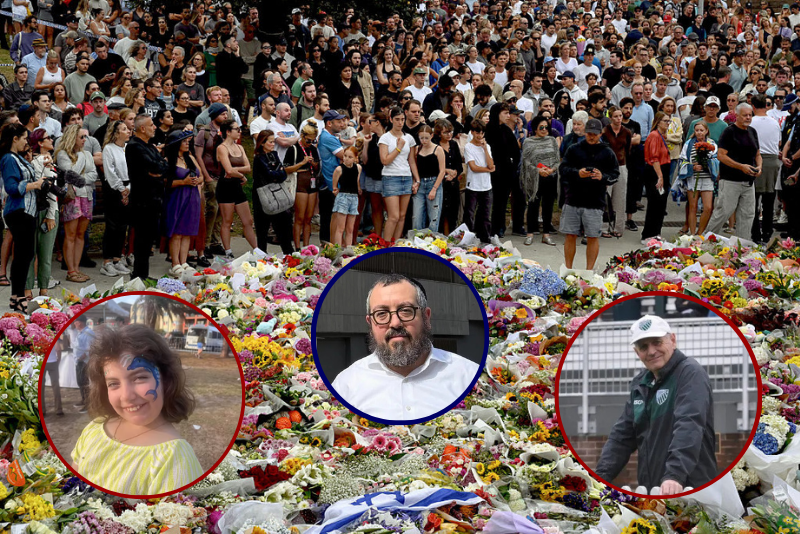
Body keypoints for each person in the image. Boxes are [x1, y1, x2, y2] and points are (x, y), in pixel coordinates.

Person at [70, 324, 203, 495]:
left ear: (166, 379)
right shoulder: (95, 429)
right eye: (113, 383)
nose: (126, 396)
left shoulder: (174, 459)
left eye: (139, 378)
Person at [595, 315, 717, 495]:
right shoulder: (640, 383)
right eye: (644, 347)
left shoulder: (689, 373)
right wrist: (599, 478)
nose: (651, 351)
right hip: (653, 489)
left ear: (672, 340)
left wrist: (675, 475)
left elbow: (689, 424)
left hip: (691, 488)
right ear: (637, 353)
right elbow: (621, 437)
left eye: (657, 342)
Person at [331, 274, 479, 421]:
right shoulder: (345, 385)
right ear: (370, 323)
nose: (395, 323)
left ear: (426, 317)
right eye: (381, 313)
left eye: (406, 310)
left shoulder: (468, 376)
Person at [559, 118, 620, 270]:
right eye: (589, 133)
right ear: (585, 133)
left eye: (595, 134)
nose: (591, 136)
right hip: (573, 198)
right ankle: (568, 269)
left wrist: (603, 177)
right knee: (570, 235)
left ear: (601, 134)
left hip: (595, 201)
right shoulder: (574, 149)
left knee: (593, 236)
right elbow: (563, 169)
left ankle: (589, 271)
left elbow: (615, 174)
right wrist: (577, 173)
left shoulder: (607, 152)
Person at [0, 123, 45, 312]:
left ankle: (16, 296)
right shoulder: (9, 158)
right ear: (15, 139)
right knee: (21, 256)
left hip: (28, 211)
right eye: (25, 138)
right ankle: (17, 296)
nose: (27, 142)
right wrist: (35, 185)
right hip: (18, 211)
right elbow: (11, 188)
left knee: (25, 255)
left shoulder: (18, 157)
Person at [706, 103, 761, 240]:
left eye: (750, 115)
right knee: (723, 213)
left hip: (749, 182)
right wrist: (741, 166)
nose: (748, 117)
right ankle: (705, 241)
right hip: (730, 180)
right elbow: (721, 155)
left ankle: (742, 247)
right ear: (737, 116)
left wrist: (759, 167)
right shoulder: (729, 132)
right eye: (745, 115)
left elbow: (758, 154)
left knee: (748, 215)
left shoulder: (753, 131)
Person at [127, 114, 168, 281]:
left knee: (148, 240)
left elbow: (164, 166)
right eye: (151, 125)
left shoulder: (150, 146)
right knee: (142, 240)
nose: (155, 127)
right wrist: (156, 172)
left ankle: (143, 274)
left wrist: (157, 172)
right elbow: (155, 166)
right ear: (142, 128)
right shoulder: (134, 146)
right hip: (142, 201)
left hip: (154, 199)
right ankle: (138, 275)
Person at [55, 124, 97, 283]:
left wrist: (82, 178)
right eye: (81, 137)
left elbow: (93, 174)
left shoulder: (87, 153)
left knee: (81, 234)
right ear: (73, 137)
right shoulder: (62, 154)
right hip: (73, 197)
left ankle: (77, 268)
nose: (85, 140)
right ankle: (70, 270)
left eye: (85, 137)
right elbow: (69, 174)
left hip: (87, 196)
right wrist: (79, 157)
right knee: (70, 234)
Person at [215, 119, 256, 259]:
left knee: (248, 220)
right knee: (227, 220)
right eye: (236, 129)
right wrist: (240, 175)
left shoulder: (240, 147)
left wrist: (237, 173)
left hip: (236, 185)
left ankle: (256, 249)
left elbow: (247, 168)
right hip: (225, 187)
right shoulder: (221, 148)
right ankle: (228, 251)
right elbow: (227, 170)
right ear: (228, 131)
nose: (239, 132)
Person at [164, 129, 202, 275]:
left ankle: (184, 261)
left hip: (192, 196)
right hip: (177, 196)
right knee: (177, 231)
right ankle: (175, 263)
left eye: (188, 141)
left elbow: (201, 176)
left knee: (187, 231)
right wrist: (183, 181)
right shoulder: (168, 161)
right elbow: (165, 182)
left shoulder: (190, 158)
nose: (187, 144)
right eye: (184, 141)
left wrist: (197, 180)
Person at [26, 129, 59, 297]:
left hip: (46, 210)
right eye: (48, 138)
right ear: (39, 143)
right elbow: (50, 188)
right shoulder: (41, 160)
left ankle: (41, 289)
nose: (52, 140)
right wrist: (51, 215)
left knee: (44, 253)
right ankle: (31, 289)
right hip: (42, 210)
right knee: (34, 252)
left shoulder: (48, 160)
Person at [379, 106, 419, 242]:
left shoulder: (409, 138)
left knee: (402, 216)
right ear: (391, 119)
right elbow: (384, 160)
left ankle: (394, 245)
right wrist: (398, 148)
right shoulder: (385, 138)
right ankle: (385, 247)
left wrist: (417, 180)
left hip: (406, 176)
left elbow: (412, 161)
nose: (400, 122)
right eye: (397, 119)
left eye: (402, 119)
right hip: (390, 177)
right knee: (393, 216)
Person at [252, 130, 295, 254]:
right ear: (262, 143)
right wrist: (277, 172)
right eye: (270, 142)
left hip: (278, 194)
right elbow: (268, 175)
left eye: (273, 141)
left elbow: (282, 173)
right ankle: (262, 256)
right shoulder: (259, 158)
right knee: (262, 229)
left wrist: (277, 173)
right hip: (263, 196)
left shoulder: (274, 155)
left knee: (283, 227)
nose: (273, 144)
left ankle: (289, 253)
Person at [100, 120, 133, 277]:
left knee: (122, 226)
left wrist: (128, 189)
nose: (128, 131)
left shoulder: (128, 148)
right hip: (114, 189)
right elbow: (110, 171)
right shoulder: (108, 149)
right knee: (112, 226)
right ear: (116, 133)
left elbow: (133, 169)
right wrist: (121, 189)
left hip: (128, 187)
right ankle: (106, 261)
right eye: (124, 129)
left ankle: (117, 258)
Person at [521, 115, 560, 247]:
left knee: (548, 206)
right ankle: (530, 233)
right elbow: (526, 161)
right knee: (533, 205)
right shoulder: (528, 142)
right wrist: (538, 171)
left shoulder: (552, 141)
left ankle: (546, 235)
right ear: (535, 129)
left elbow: (556, 159)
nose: (544, 129)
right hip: (535, 179)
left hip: (550, 177)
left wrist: (552, 169)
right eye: (541, 127)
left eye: (546, 127)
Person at [678, 122, 718, 236]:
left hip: (707, 178)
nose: (699, 132)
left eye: (701, 130)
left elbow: (716, 160)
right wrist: (692, 167)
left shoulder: (712, 144)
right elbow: (682, 160)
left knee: (708, 207)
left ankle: (700, 232)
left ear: (706, 131)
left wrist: (707, 164)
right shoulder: (688, 144)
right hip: (693, 178)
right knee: (693, 207)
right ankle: (692, 233)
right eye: (697, 130)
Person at [641, 112, 673, 244]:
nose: (667, 123)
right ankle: (648, 233)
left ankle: (656, 232)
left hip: (662, 170)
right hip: (655, 171)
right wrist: (660, 177)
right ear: (658, 122)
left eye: (669, 121)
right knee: (655, 203)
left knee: (660, 204)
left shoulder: (661, 136)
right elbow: (654, 159)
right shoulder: (654, 136)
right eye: (665, 121)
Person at [289, 120, 320, 249]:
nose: (310, 143)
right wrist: (302, 163)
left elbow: (317, 167)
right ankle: (297, 247)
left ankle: (307, 247)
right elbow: (287, 169)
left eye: (312, 141)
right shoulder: (294, 148)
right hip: (300, 184)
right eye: (308, 140)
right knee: (299, 217)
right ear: (302, 136)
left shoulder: (313, 149)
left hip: (312, 184)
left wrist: (313, 164)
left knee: (309, 218)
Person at [412, 124, 445, 232]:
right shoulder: (417, 149)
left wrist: (434, 189)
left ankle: (431, 239)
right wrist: (415, 182)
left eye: (426, 138)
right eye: (421, 138)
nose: (424, 140)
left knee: (434, 216)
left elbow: (442, 171)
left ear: (431, 136)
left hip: (433, 182)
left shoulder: (438, 149)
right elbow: (414, 167)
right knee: (417, 216)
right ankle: (417, 239)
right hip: (421, 183)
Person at [331, 146, 362, 246]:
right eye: (345, 156)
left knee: (350, 228)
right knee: (340, 228)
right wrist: (336, 192)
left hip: (354, 197)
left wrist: (359, 189)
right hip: (343, 196)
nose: (347, 159)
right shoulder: (339, 169)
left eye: (350, 157)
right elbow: (334, 185)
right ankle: (338, 249)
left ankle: (349, 248)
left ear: (355, 158)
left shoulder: (358, 168)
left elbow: (356, 180)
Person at [72, 314, 94, 412]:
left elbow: (90, 348)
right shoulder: (81, 332)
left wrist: (82, 357)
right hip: (79, 361)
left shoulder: (88, 333)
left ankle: (88, 404)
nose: (74, 324)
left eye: (75, 322)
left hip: (85, 362)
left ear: (80, 322)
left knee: (85, 383)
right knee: (81, 382)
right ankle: (84, 400)